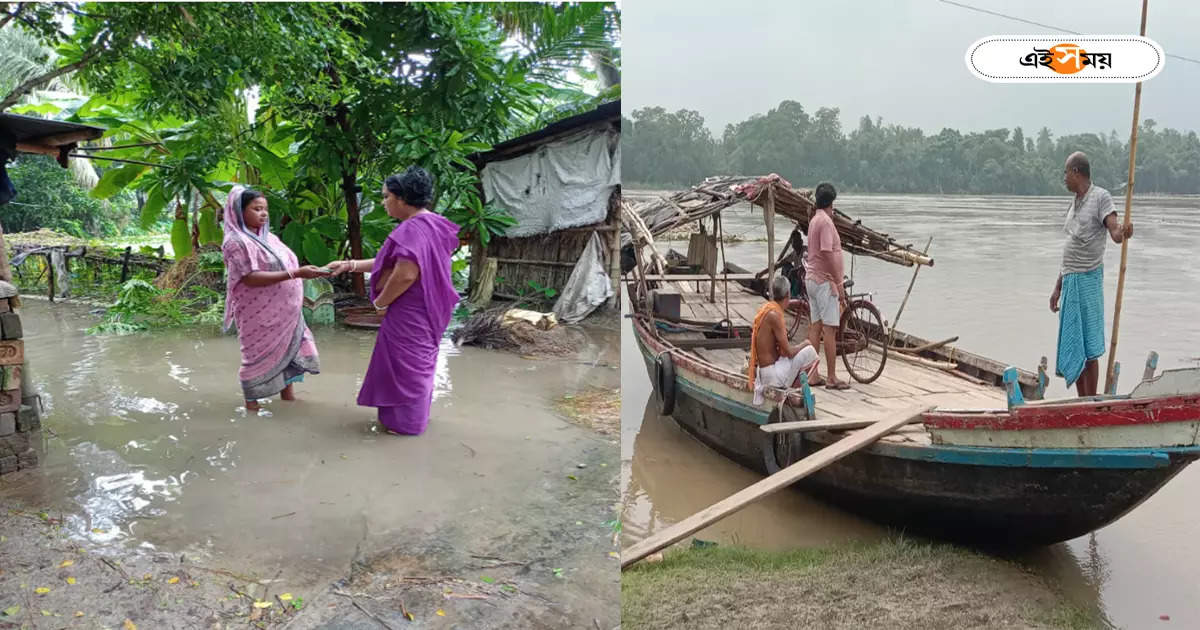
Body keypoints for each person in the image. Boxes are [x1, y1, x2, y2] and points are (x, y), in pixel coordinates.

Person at [328, 166, 461, 435]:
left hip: (410, 311)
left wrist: (380, 303)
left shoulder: (412, 228)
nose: (383, 202)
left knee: (405, 368)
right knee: (417, 365)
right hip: (429, 310)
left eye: (386, 196)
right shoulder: (434, 224)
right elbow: (392, 262)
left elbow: (405, 274)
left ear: (402, 198)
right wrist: (350, 264)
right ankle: (411, 420)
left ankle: (404, 426)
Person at [221, 186, 329, 411]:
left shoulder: (269, 238)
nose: (263, 214)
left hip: (287, 313)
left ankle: (289, 398)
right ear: (239, 212)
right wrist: (296, 274)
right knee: (255, 359)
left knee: (291, 353)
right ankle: (252, 407)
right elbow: (250, 278)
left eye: (265, 209)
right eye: (256, 209)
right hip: (258, 315)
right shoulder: (236, 242)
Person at [1051, 151, 1133, 396]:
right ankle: (1081, 400)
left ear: (1077, 172)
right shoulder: (1075, 202)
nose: (1064, 178)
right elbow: (1071, 247)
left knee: (1088, 346)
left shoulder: (1101, 198)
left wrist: (1123, 231)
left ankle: (1092, 399)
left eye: (1066, 172)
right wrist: (1058, 286)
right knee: (1075, 343)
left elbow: (1115, 232)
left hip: (1088, 280)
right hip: (1070, 280)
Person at [804, 181, 850, 390]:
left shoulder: (815, 219)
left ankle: (813, 374)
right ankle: (831, 377)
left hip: (812, 279)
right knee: (830, 329)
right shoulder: (825, 222)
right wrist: (839, 283)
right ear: (831, 202)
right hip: (824, 282)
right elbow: (827, 252)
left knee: (815, 326)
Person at [748, 276, 821, 405]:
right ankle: (789, 389)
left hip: (765, 371)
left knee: (801, 351)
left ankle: (790, 386)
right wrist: (805, 343)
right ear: (788, 294)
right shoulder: (775, 315)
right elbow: (788, 352)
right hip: (771, 376)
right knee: (810, 351)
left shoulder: (768, 309)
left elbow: (782, 351)